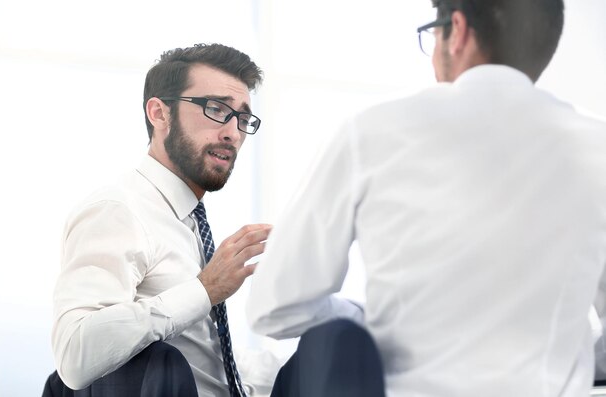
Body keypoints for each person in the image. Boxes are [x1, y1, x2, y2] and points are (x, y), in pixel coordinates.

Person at [246, 1, 606, 396]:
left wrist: (366, 316)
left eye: (432, 35)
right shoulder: (597, 145)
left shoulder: (372, 131)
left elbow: (274, 308)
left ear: (458, 30)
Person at [50, 43, 279, 397]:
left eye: (242, 119)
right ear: (159, 113)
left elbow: (205, 359)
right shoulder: (119, 209)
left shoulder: (188, 220)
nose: (233, 133)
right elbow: (74, 354)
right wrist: (204, 290)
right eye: (217, 109)